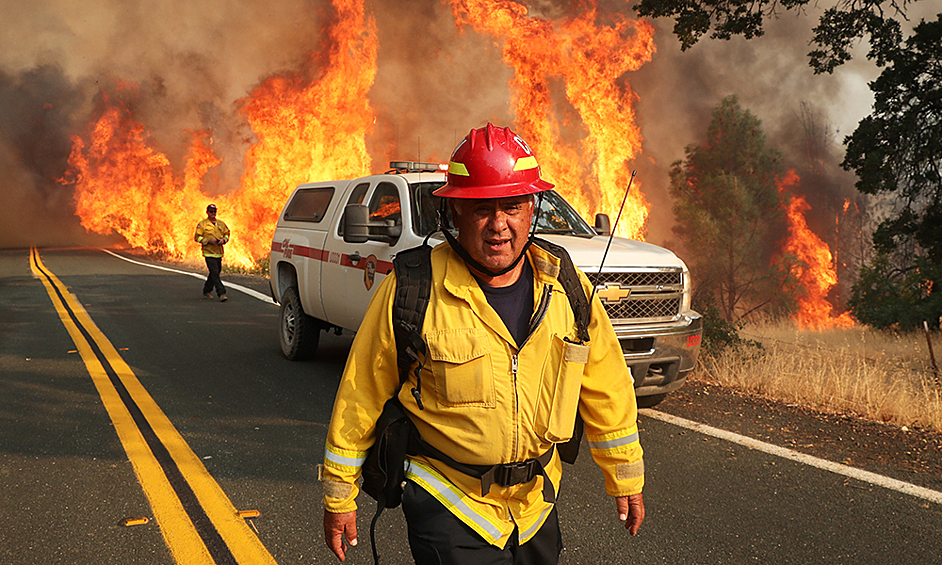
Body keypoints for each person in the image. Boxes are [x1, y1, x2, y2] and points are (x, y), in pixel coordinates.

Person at [321, 123, 645, 564]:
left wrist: (625, 475)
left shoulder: (565, 286)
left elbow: (607, 385)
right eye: (481, 209)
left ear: (532, 209)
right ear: (454, 214)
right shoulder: (414, 287)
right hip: (449, 503)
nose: (499, 225)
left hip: (536, 503)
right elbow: (361, 391)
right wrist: (340, 494)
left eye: (512, 206)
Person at [194, 203, 230, 302]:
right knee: (215, 273)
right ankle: (222, 293)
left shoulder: (221, 224)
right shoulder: (203, 224)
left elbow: (227, 233)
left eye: (214, 212)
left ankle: (207, 290)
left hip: (218, 252)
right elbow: (197, 237)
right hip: (208, 252)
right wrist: (208, 240)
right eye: (211, 212)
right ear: (207, 212)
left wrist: (224, 240)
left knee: (215, 272)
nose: (213, 213)